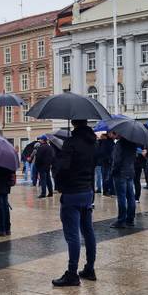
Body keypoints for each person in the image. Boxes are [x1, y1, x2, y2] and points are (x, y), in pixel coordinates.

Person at [50, 119, 97, 286]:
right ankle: (90, 268)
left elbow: (62, 168)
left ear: (74, 123)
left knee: (72, 235)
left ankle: (72, 274)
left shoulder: (71, 143)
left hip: (72, 192)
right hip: (87, 190)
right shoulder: (93, 142)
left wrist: (58, 179)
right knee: (88, 231)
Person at [110, 131, 137, 229]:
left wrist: (113, 171)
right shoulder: (132, 143)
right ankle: (130, 219)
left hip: (120, 173)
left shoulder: (119, 144)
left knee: (121, 197)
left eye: (116, 133)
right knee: (131, 197)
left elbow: (116, 160)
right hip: (130, 172)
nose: (115, 134)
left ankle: (121, 220)